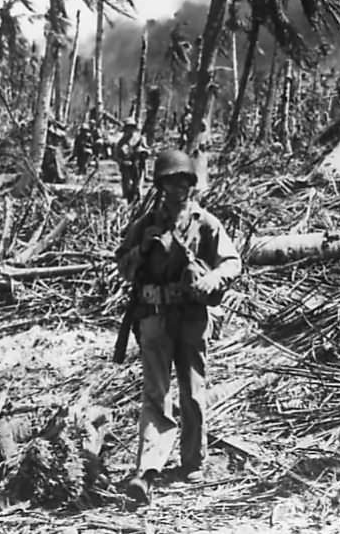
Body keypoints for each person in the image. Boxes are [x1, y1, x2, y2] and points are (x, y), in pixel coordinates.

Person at [114, 149, 242, 504]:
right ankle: (148, 470)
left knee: (193, 392)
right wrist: (143, 249)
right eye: (171, 182)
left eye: (184, 181)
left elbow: (232, 262)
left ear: (192, 184)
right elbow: (122, 265)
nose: (178, 188)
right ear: (160, 185)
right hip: (154, 315)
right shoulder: (145, 224)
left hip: (191, 316)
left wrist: (211, 280)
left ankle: (192, 462)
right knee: (156, 396)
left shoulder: (205, 223)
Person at [114, 119, 149, 203]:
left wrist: (143, 152)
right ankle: (129, 200)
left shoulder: (140, 138)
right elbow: (116, 155)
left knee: (137, 185)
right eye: (128, 128)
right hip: (126, 166)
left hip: (138, 164)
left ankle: (137, 200)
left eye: (131, 128)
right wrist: (122, 161)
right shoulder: (121, 141)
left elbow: (147, 150)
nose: (129, 130)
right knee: (127, 186)